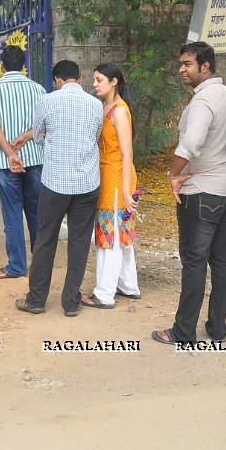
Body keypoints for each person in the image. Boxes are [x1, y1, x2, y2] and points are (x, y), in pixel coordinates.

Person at [152, 42, 226, 346]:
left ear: (205, 66)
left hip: (203, 190)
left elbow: (190, 144)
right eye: (181, 63)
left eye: (188, 64)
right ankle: (217, 327)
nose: (181, 69)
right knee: (221, 260)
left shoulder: (204, 100)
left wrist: (173, 175)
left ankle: (183, 331)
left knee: (194, 261)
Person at [16, 60, 103, 317]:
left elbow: (40, 136)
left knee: (45, 240)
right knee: (78, 243)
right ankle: (70, 302)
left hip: (55, 183)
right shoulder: (96, 104)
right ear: (81, 77)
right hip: (87, 184)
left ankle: (37, 300)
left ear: (56, 80)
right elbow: (95, 136)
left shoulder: (47, 101)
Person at [0, 45, 46, 279]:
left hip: (5, 161)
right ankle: (40, 264)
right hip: (35, 158)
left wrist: (10, 152)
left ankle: (17, 266)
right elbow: (44, 123)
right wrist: (27, 137)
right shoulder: (38, 89)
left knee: (12, 213)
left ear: (2, 65)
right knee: (36, 212)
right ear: (23, 65)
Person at [82, 62, 140, 309]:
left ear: (113, 81)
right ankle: (128, 285)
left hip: (118, 176)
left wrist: (126, 191)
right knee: (115, 230)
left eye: (99, 80)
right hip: (108, 174)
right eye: (94, 80)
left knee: (112, 234)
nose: (94, 84)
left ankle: (105, 294)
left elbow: (127, 154)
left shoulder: (118, 110)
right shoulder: (106, 107)